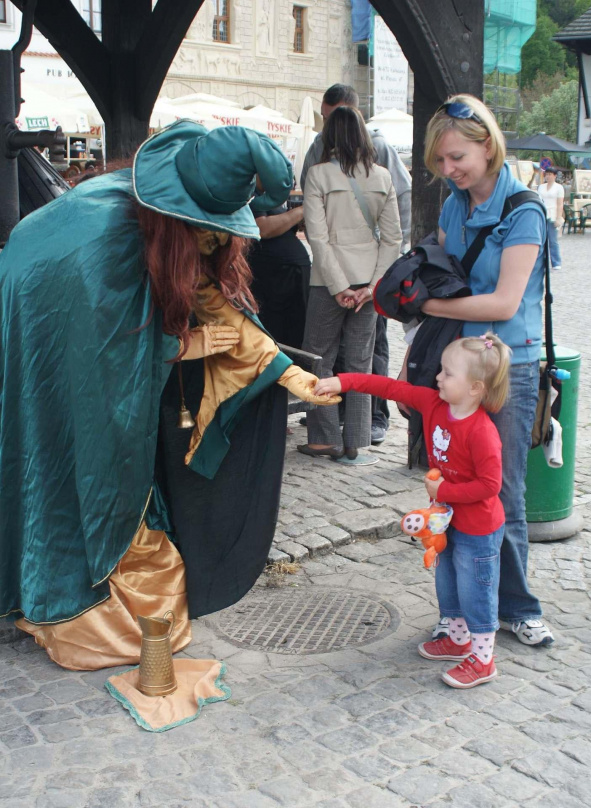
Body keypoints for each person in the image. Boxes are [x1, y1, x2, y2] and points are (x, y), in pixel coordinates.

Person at [0, 121, 339, 670]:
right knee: (74, 453)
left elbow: (212, 299)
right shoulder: (106, 235)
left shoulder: (167, 221)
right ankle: (71, 595)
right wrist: (183, 347)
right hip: (39, 310)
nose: (213, 241)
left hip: (60, 314)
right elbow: (103, 357)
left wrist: (280, 370)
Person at [413, 94, 554, 647]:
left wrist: (430, 309)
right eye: (441, 162)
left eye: (457, 158)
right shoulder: (453, 203)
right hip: (459, 364)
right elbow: (447, 273)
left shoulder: (525, 211)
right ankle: (470, 611)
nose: (448, 170)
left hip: (508, 368)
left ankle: (517, 607)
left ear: (487, 145)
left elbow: (502, 303)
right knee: (453, 489)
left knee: (505, 494)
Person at [316, 332, 511, 688]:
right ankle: (457, 639)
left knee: (475, 591)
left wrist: (444, 490)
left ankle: (483, 660)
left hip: (479, 528)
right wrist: (342, 380)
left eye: (448, 373)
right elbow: (389, 388)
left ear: (475, 388)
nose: (438, 377)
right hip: (446, 521)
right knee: (448, 582)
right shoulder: (433, 403)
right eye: (442, 370)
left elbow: (490, 486)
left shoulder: (483, 431)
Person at [301, 84, 412, 445]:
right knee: (361, 365)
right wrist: (373, 286)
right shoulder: (381, 176)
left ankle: (325, 438)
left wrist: (338, 287)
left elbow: (318, 238)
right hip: (368, 285)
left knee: (320, 359)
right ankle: (359, 442)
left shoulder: (318, 175)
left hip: (327, 283)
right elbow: (393, 238)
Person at [248, 199, 309, 349]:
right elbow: (263, 228)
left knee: (295, 333)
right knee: (276, 333)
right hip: (273, 276)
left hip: (290, 273)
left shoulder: (271, 196)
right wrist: (303, 209)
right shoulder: (253, 194)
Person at [538, 167, 564, 270]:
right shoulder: (541, 187)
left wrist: (558, 217)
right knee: (541, 240)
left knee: (553, 240)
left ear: (555, 176)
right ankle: (541, 262)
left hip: (552, 214)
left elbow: (560, 204)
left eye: (550, 174)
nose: (548, 176)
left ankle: (556, 262)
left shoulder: (558, 187)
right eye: (546, 174)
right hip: (543, 213)